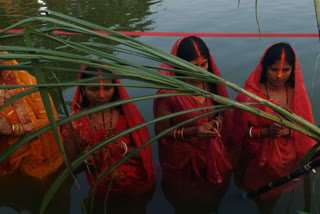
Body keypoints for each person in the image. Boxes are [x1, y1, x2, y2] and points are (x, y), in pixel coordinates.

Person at [153, 36, 232, 213]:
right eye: (193, 66)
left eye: (204, 64)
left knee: (213, 200)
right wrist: (194, 131)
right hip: (182, 162)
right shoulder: (168, 94)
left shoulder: (210, 83)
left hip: (212, 154)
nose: (200, 71)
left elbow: (222, 112)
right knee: (187, 202)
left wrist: (216, 122)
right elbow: (161, 132)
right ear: (179, 65)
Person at [232, 43, 317, 202]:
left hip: (289, 161)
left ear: (293, 70)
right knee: (263, 199)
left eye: (285, 70)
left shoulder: (296, 94)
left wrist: (289, 131)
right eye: (274, 69)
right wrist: (264, 132)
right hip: (257, 162)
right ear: (264, 68)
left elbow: (305, 127)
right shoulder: (249, 97)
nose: (279, 75)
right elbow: (236, 132)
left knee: (289, 193)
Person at [61, 65, 155, 202]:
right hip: (103, 191)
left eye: (107, 88)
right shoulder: (73, 123)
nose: (102, 95)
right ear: (83, 89)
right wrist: (92, 155)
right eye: (93, 89)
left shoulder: (126, 114)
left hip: (138, 185)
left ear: (114, 88)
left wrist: (121, 148)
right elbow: (72, 168)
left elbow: (144, 153)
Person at [0, 51, 63, 180]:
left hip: (36, 155)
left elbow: (51, 121)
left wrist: (13, 129)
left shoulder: (27, 83)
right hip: (5, 158)